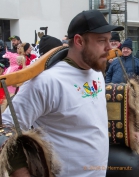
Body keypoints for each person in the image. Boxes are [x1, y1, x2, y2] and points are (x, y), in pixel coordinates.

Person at [2, 9, 124, 177]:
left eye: (110, 40)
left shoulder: (96, 71)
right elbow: (5, 129)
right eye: (102, 40)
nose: (109, 47)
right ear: (79, 41)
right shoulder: (46, 82)